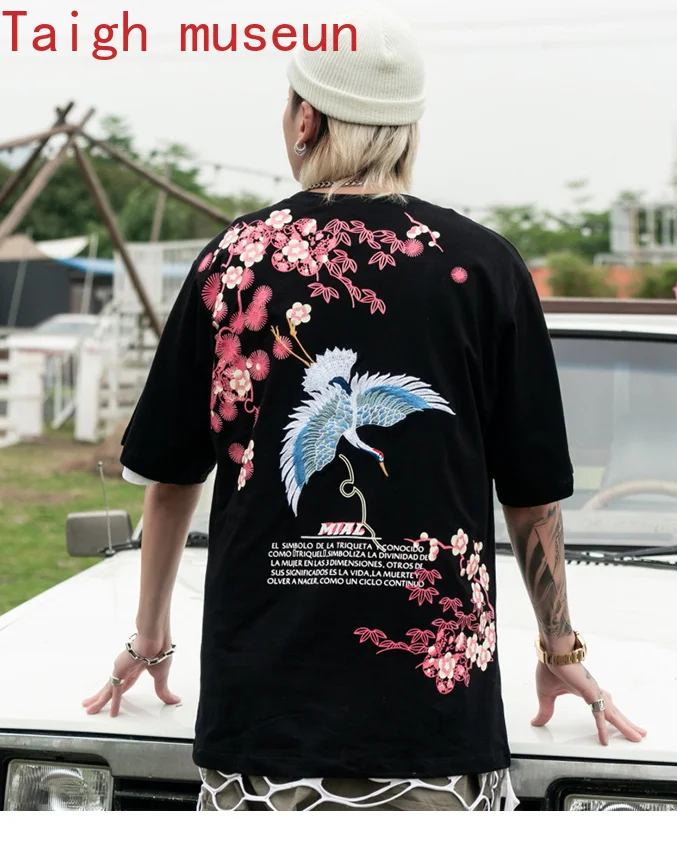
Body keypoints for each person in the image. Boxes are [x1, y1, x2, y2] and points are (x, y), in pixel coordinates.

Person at [82, 5, 646, 811]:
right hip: (434, 726)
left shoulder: (234, 263)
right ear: (408, 129)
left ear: (306, 118)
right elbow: (532, 495)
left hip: (265, 724)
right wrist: (560, 646)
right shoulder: (485, 268)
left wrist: (149, 636)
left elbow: (172, 478)